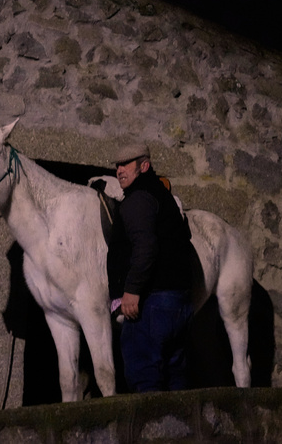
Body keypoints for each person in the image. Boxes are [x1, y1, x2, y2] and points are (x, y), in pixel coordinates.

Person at [106, 142, 197, 392]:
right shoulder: (162, 196)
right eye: (117, 166)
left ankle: (154, 432)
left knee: (145, 379)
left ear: (144, 166)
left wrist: (131, 290)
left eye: (126, 164)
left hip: (151, 304)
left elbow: (145, 247)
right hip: (178, 304)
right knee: (176, 377)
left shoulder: (139, 199)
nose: (119, 170)